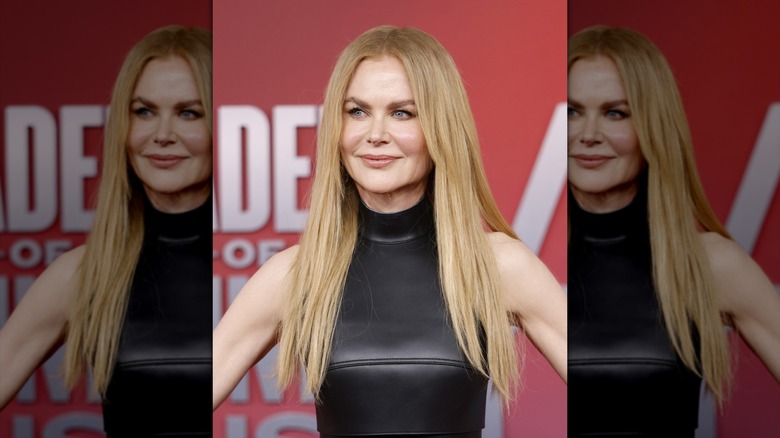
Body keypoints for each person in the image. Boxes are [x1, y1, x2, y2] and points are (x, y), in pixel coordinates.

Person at [213, 25, 567, 437]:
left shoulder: (499, 266)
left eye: (403, 112)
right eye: (357, 112)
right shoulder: (295, 275)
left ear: (440, 128)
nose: (375, 135)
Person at [567, 25, 780, 437]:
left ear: (654, 126)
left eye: (616, 113)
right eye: (573, 111)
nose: (588, 134)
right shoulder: (528, 264)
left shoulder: (709, 264)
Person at [0, 25, 213, 436]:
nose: (162, 135)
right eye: (144, 112)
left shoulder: (259, 273)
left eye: (189, 112)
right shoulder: (84, 274)